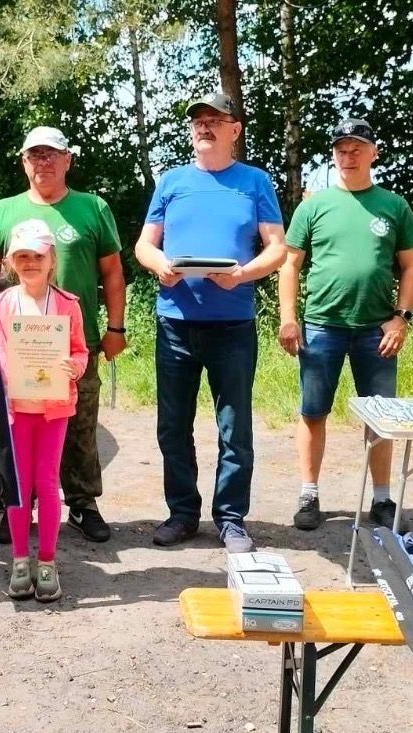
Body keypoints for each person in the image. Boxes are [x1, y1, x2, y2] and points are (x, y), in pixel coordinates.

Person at [134, 92, 286, 553]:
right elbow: (143, 245)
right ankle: (182, 514)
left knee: (234, 428)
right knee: (172, 425)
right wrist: (158, 263)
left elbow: (277, 248)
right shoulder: (172, 181)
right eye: (198, 121)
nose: (204, 126)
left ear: (234, 129)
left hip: (233, 326)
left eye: (215, 120)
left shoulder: (255, 182)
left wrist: (241, 274)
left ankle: (231, 519)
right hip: (175, 323)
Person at [0, 126, 125, 544]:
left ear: (67, 160)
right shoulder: (3, 211)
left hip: (76, 340)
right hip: (15, 348)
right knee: (14, 431)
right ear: (24, 162)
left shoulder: (92, 207)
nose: (42, 162)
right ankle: (15, 507)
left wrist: (116, 327)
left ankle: (82, 504)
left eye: (51, 154)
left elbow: (113, 273)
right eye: (34, 155)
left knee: (79, 426)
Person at [279, 118, 413, 532]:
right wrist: (289, 318)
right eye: (341, 148)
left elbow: (411, 266)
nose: (349, 155)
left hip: (377, 328)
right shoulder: (314, 205)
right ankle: (309, 494)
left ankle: (381, 498)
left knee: (381, 415)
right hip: (322, 326)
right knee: (313, 410)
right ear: (334, 155)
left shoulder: (393, 206)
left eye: (357, 147)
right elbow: (290, 264)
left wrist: (402, 317)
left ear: (374, 152)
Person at [0, 219, 88, 601]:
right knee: (19, 486)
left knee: (47, 481)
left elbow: (80, 350)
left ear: (51, 259)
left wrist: (75, 365)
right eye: (21, 256)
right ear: (10, 262)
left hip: (54, 408)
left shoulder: (68, 305)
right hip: (16, 411)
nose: (30, 262)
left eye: (37, 255)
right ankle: (20, 560)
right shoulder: (0, 305)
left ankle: (48, 561)